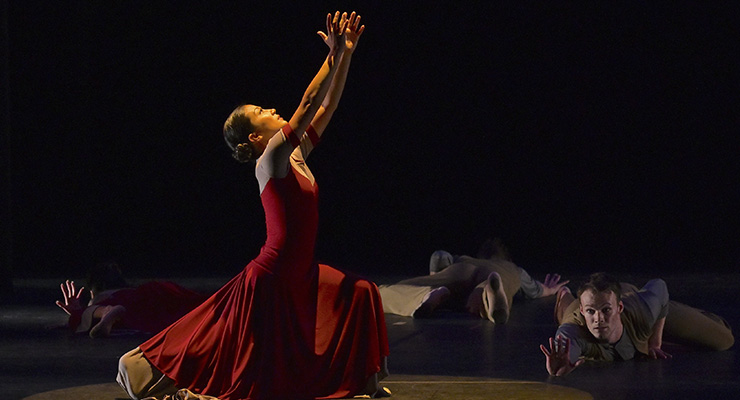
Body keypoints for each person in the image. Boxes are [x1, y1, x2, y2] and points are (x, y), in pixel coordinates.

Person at [117, 11, 390, 400]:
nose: (271, 111)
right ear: (255, 137)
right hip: (274, 278)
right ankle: (141, 371)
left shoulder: (296, 155)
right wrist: (330, 57)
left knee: (361, 292)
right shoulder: (271, 159)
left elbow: (326, 108)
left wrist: (346, 54)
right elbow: (308, 103)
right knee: (245, 370)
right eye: (262, 113)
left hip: (303, 272)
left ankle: (364, 383)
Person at [541, 272, 735, 376]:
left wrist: (655, 342)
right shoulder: (574, 330)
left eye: (606, 311)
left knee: (724, 339)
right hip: (581, 306)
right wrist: (560, 366)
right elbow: (564, 346)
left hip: (638, 310)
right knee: (568, 314)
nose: (598, 319)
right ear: (584, 312)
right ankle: (565, 297)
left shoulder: (642, 309)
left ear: (619, 308)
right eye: (591, 312)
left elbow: (659, 285)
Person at [379, 238, 569, 323]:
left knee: (391, 291)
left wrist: (433, 277)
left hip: (459, 270)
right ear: (506, 257)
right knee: (486, 294)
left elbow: (439, 255)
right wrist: (549, 289)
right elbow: (536, 289)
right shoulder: (513, 269)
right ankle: (491, 293)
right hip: (498, 275)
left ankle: (426, 295)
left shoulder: (465, 258)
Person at [55, 262, 208, 338]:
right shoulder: (137, 290)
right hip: (158, 292)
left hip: (121, 306)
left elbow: (91, 308)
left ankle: (110, 313)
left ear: (92, 289)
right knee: (198, 304)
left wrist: (78, 312)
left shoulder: (103, 297)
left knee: (81, 316)